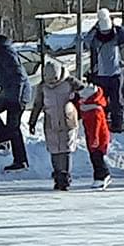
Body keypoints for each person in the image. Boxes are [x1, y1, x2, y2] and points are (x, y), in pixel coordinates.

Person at [29, 58, 80, 191]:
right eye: (49, 80)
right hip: (50, 122)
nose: (51, 83)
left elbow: (85, 93)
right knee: (54, 150)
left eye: (54, 79)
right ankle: (57, 175)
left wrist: (78, 106)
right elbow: (37, 104)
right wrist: (32, 121)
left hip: (67, 121)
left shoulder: (70, 82)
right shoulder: (42, 87)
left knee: (66, 149)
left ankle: (65, 176)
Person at [83, 8, 124, 131]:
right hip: (102, 75)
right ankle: (103, 123)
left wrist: (117, 27)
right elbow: (85, 43)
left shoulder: (113, 36)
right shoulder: (101, 38)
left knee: (116, 102)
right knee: (102, 101)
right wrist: (95, 29)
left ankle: (116, 125)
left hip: (112, 74)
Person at [0, 34, 31, 170]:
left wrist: (16, 99)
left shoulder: (5, 51)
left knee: (13, 126)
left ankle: (21, 160)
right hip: (7, 92)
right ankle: (2, 139)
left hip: (18, 94)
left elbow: (18, 76)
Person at [76, 82, 112, 190]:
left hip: (98, 138)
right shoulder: (87, 107)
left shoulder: (95, 110)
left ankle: (103, 175)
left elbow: (97, 127)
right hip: (91, 136)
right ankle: (99, 176)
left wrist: (95, 139)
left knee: (97, 158)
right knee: (94, 157)